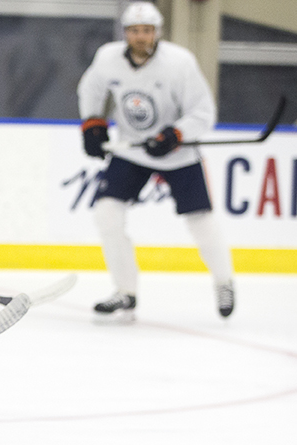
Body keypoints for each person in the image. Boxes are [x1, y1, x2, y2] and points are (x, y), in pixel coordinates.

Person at [78, 1, 235, 320]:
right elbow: (90, 88)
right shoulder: (108, 58)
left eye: (147, 30)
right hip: (131, 150)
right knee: (107, 213)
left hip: (177, 154)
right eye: (135, 31)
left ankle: (224, 282)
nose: (141, 37)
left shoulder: (179, 63)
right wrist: (92, 122)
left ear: (157, 32)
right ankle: (126, 291)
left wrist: (175, 134)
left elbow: (204, 112)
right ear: (126, 33)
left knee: (201, 222)